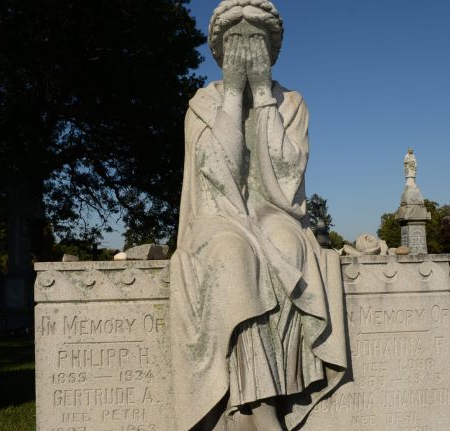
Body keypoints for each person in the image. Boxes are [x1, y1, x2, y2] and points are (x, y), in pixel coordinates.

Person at [169, 1, 346, 430]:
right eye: (236, 41)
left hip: (273, 213)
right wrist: (233, 94)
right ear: (220, 50)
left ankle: (275, 389)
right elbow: (218, 174)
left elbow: (286, 181)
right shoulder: (203, 103)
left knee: (284, 245)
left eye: (255, 41)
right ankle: (256, 409)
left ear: (271, 49)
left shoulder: (291, 103)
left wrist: (263, 96)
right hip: (218, 217)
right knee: (232, 255)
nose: (246, 50)